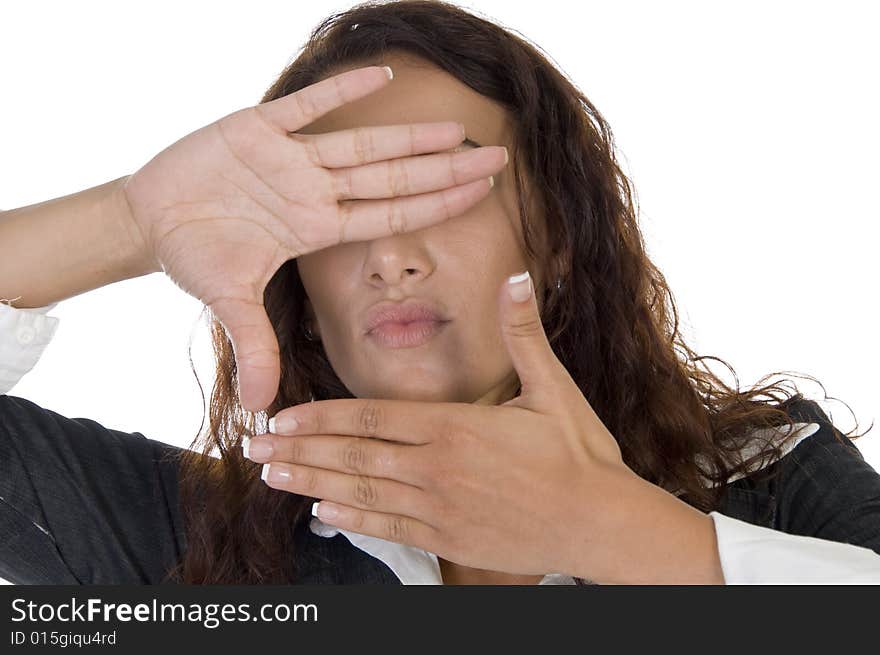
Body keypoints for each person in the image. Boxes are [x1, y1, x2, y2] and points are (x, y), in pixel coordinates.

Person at [2, 0, 879, 586]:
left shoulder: (771, 477)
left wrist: (617, 532)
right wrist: (128, 222)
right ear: (295, 276)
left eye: (442, 187)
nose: (391, 255)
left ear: (559, 231)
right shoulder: (210, 542)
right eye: (346, 203)